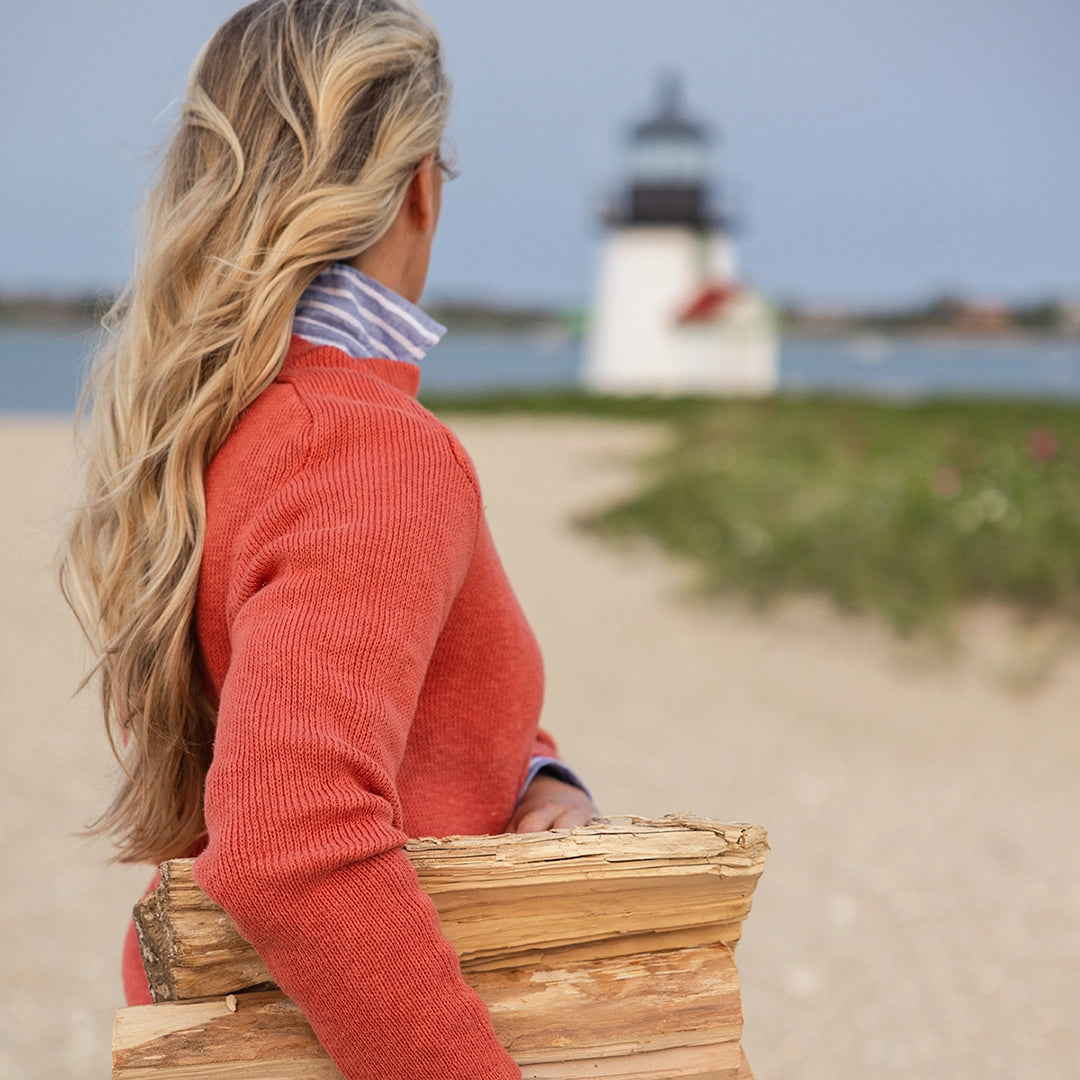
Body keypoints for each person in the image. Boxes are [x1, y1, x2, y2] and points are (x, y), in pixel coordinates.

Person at [60, 2, 596, 1076]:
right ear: (419, 190)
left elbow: (352, 726)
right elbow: (289, 835)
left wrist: (541, 776)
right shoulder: (363, 447)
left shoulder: (217, 422)